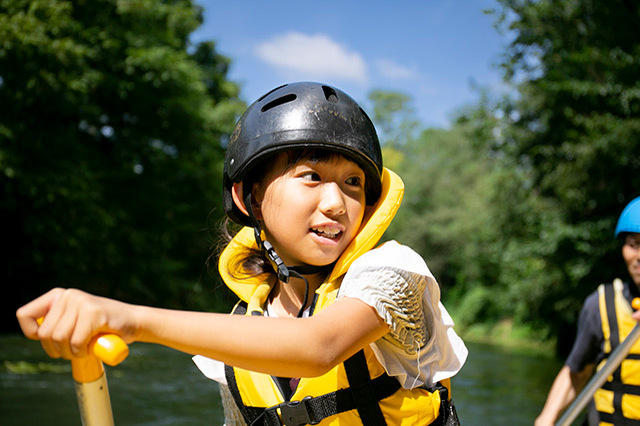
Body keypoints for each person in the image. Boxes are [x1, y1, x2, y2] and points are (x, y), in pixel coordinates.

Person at [16, 82, 468, 425]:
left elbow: (319, 347)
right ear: (248, 197)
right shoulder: (240, 334)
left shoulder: (393, 271)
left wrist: (131, 320)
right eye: (311, 175)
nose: (337, 202)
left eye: (353, 182)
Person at [535, 196, 640, 426]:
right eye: (633, 245)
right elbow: (577, 373)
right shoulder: (600, 304)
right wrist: (546, 419)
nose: (639, 256)